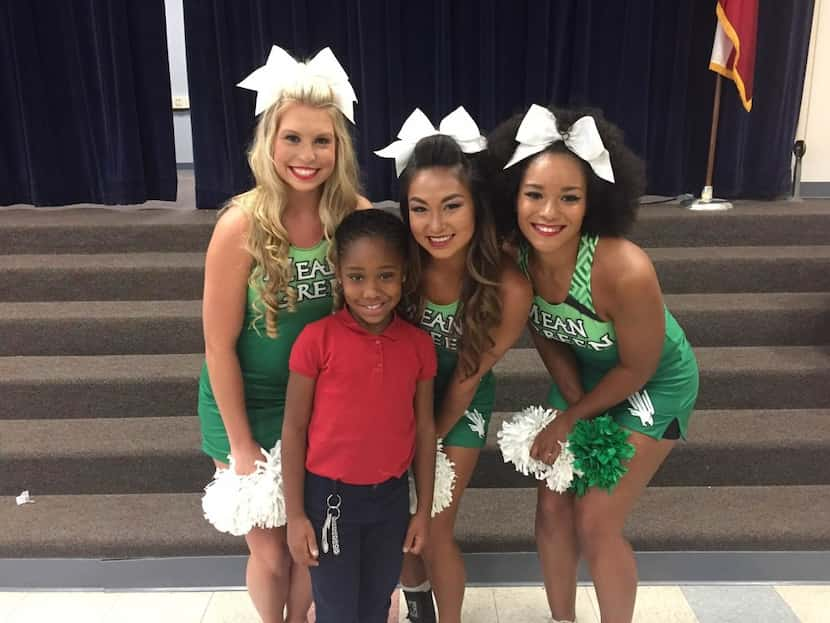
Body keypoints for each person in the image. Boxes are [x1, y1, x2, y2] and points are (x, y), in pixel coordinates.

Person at [486, 104, 700, 623]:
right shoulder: (517, 258)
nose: (549, 212)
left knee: (597, 517)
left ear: (593, 203)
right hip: (586, 378)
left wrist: (570, 418)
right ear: (513, 196)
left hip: (654, 381)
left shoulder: (623, 268)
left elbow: (638, 368)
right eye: (534, 194)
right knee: (553, 503)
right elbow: (545, 330)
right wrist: (574, 402)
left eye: (570, 198)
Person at [197, 45, 370, 623]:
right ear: (269, 142)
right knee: (271, 552)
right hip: (245, 405)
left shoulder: (354, 216)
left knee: (310, 546)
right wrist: (241, 444)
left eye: (322, 140)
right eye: (292, 138)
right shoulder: (239, 226)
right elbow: (218, 346)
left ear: (338, 147)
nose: (307, 154)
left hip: (319, 408)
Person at [377, 108, 533, 623]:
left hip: (457, 409)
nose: (435, 225)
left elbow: (466, 380)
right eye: (420, 209)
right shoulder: (398, 263)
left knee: (435, 527)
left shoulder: (508, 287)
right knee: (399, 529)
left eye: (451, 206)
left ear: (477, 206)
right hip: (398, 404)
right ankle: (417, 603)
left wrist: (424, 443)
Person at [281, 208, 437, 623]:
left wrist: (421, 510)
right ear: (338, 274)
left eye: (385, 275)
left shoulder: (419, 346)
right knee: (336, 608)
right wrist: (296, 515)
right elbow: (294, 428)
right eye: (357, 277)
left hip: (390, 501)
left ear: (404, 274)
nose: (372, 291)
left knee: (377, 602)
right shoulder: (316, 341)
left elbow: (424, 428)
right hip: (329, 500)